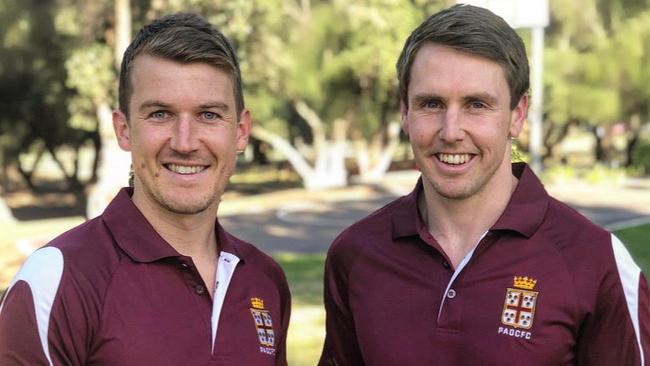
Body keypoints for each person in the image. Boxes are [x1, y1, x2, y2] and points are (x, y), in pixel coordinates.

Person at [319, 4, 649, 365]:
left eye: (477, 104)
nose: (451, 131)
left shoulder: (594, 260)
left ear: (517, 115)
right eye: (431, 103)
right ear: (405, 113)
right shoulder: (356, 254)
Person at [0, 13, 290, 365]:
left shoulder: (265, 280)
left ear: (241, 131)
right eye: (160, 114)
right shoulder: (59, 277)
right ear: (123, 129)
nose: (185, 143)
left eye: (209, 115)